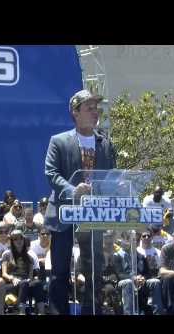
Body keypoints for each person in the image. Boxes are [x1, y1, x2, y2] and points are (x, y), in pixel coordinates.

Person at [44, 89, 116, 315]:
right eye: (90, 108)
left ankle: (90, 310)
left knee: (93, 268)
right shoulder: (59, 141)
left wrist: (117, 186)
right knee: (60, 272)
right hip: (64, 213)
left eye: (97, 108)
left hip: (93, 214)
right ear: (75, 112)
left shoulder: (104, 143)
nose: (96, 113)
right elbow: (51, 173)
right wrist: (72, 190)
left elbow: (111, 175)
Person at [1, 230, 46, 315]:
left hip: (25, 283)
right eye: (15, 239)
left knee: (37, 283)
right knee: (24, 283)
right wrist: (12, 278)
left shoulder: (30, 257)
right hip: (12, 283)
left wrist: (30, 279)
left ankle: (41, 312)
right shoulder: (7, 255)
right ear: (12, 241)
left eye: (21, 238)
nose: (19, 241)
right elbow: (4, 274)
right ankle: (21, 312)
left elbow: (30, 276)